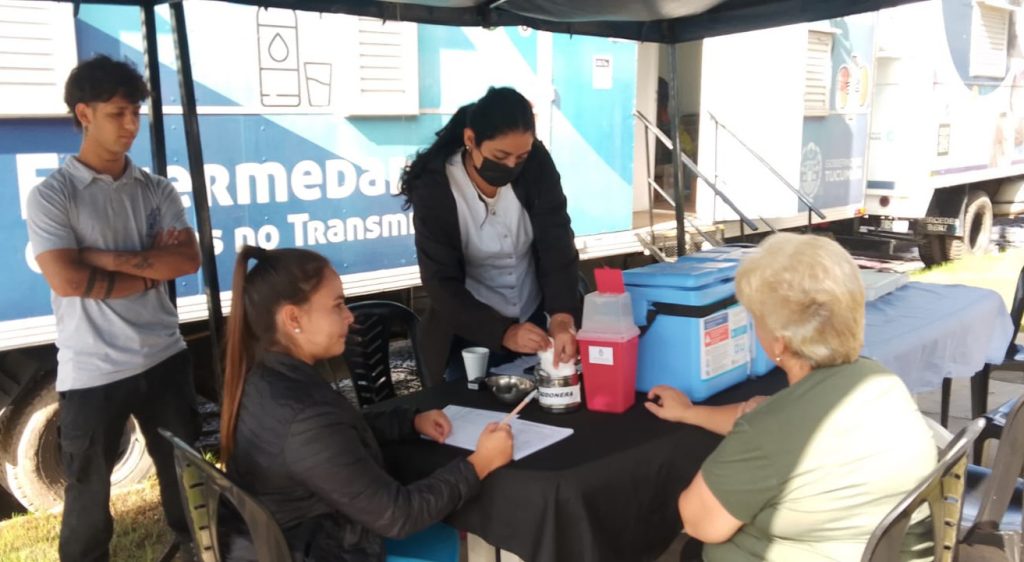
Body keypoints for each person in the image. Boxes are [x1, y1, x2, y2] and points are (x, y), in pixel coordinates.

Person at [645, 233, 937, 561]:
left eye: (755, 318)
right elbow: (777, 423)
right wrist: (690, 413)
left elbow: (700, 523)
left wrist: (753, 430)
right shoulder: (878, 381)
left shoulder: (767, 432)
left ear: (779, 342)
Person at [220, 246, 514, 561]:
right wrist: (480, 463)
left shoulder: (265, 377)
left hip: (296, 538)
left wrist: (410, 421)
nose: (349, 316)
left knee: (444, 533)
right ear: (293, 318)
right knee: (447, 532)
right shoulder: (304, 415)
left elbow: (340, 433)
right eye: (338, 305)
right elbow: (399, 515)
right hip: (322, 550)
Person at [25, 55, 202, 561]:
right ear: (84, 114)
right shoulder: (53, 196)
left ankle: (199, 551)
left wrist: (102, 259)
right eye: (117, 113)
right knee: (86, 504)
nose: (131, 125)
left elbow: (187, 259)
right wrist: (149, 269)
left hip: (164, 356)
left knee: (188, 483)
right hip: (92, 370)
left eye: (136, 113)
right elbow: (66, 279)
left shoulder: (156, 189)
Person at [399, 87, 580, 381]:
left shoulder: (536, 165)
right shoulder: (436, 187)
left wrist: (561, 316)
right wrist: (503, 332)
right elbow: (440, 281)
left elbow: (556, 243)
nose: (511, 165)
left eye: (520, 157)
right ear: (471, 140)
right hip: (469, 331)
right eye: (500, 155)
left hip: (534, 315)